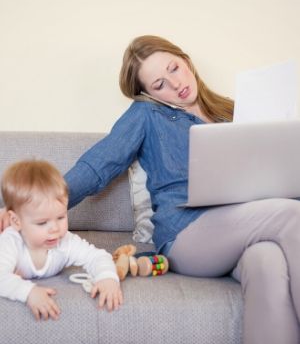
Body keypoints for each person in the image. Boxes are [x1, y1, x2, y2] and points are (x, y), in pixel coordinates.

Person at [0, 35, 300, 343]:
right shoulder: (146, 115)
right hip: (189, 233)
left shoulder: (235, 111)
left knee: (267, 261)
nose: (175, 83)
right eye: (159, 84)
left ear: (186, 60)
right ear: (147, 93)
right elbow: (96, 166)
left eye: (174, 68)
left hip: (247, 229)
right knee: (293, 215)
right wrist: (23, 208)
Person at [0, 159, 123, 321]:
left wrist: (106, 277)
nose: (55, 229)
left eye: (61, 217)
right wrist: (28, 292)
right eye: (42, 222)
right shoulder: (11, 242)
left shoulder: (65, 241)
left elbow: (97, 256)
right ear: (17, 221)